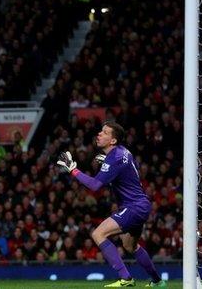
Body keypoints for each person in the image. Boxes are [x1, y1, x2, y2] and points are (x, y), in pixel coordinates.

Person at [56, 121, 165, 287]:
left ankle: (126, 278)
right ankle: (158, 282)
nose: (99, 134)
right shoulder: (123, 153)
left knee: (98, 234)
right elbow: (130, 167)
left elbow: (95, 186)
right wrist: (108, 162)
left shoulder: (114, 157)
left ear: (113, 141)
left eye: (105, 132)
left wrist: (73, 169)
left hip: (134, 206)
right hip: (141, 204)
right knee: (130, 245)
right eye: (101, 131)